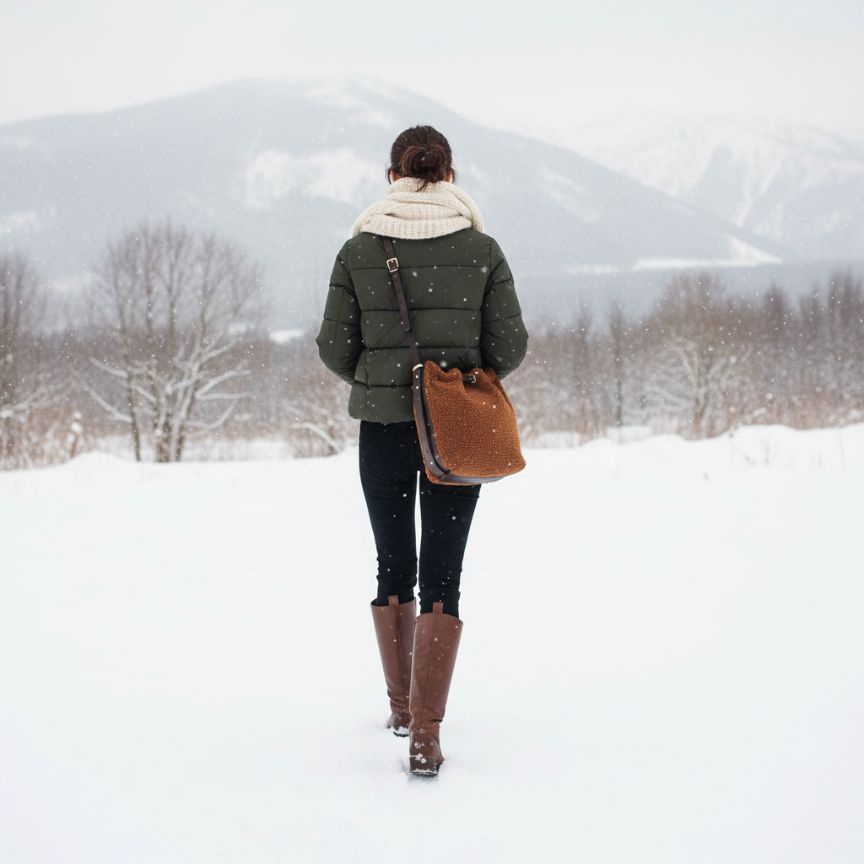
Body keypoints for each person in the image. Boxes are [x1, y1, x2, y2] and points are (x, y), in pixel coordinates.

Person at [315, 125, 528, 775]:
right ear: (450, 176)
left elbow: (334, 348)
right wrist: (456, 380)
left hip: (383, 426)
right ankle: (427, 735)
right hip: (455, 429)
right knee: (443, 574)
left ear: (393, 177)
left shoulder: (360, 249)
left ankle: (402, 708)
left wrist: (382, 382)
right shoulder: (481, 249)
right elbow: (510, 347)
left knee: (392, 564)